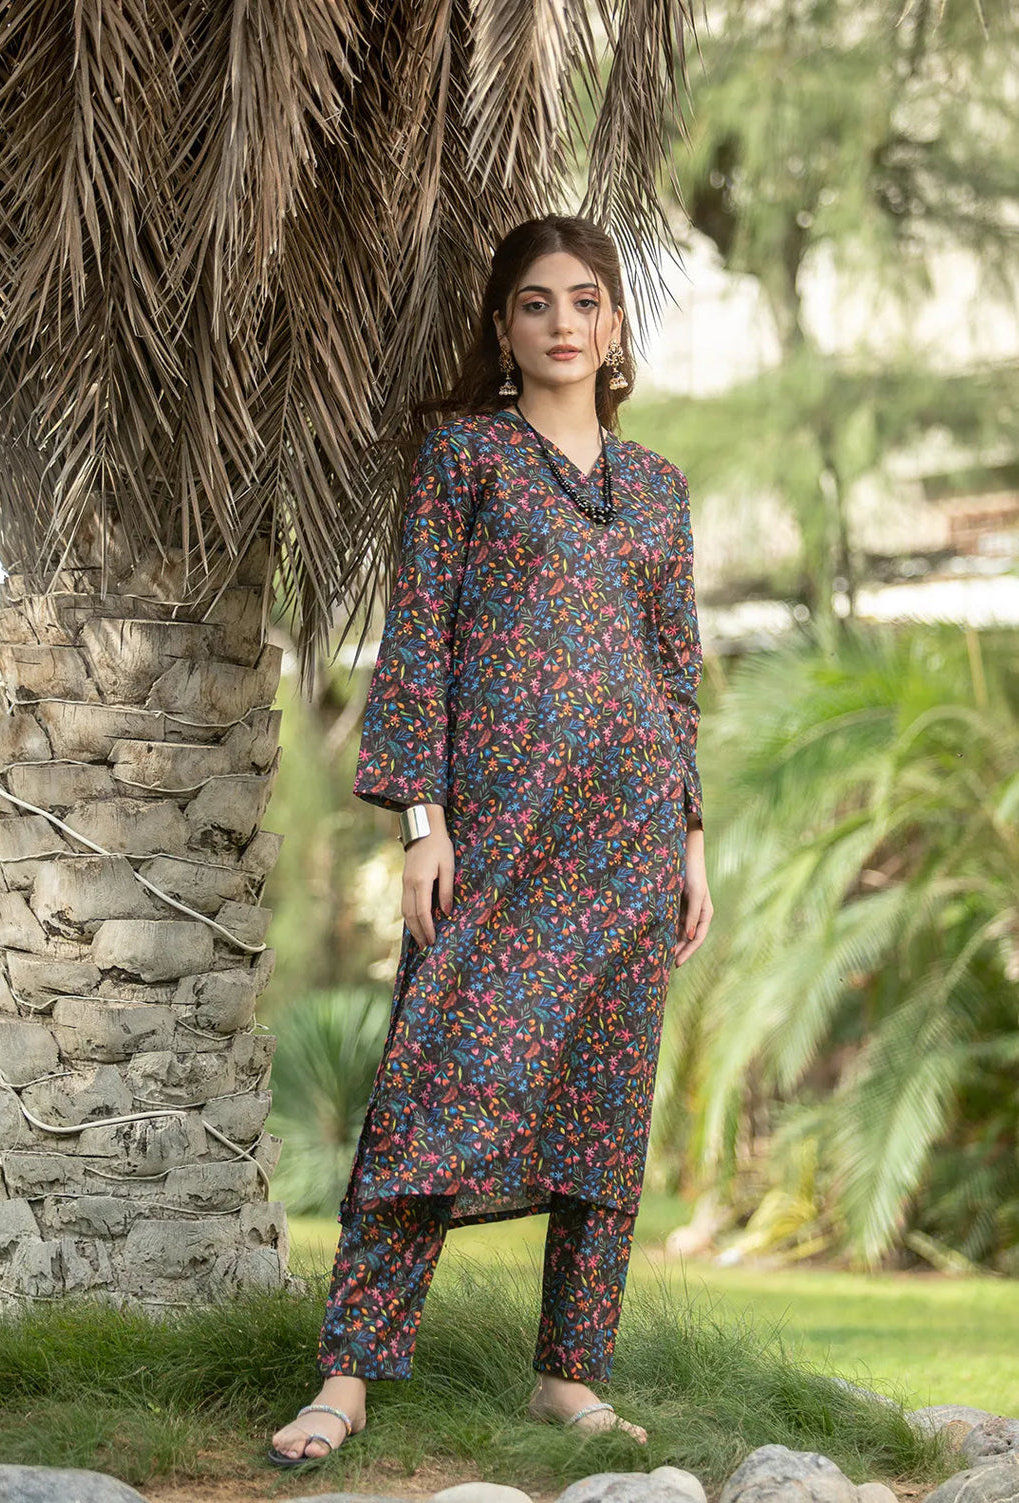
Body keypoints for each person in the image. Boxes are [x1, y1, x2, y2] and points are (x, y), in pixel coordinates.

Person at [269, 214, 714, 1468]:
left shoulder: (659, 488)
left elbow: (675, 674)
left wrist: (691, 840)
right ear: (503, 325)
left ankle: (569, 1375)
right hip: (500, 839)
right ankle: (348, 1377)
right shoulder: (465, 456)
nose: (563, 323)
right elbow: (418, 642)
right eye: (536, 302)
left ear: (614, 324)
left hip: (630, 840)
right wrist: (423, 823)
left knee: (606, 1101)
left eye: (585, 300)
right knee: (432, 1085)